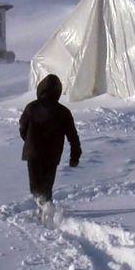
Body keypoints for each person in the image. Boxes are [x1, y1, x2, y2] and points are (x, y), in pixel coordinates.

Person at [19, 74, 81, 209]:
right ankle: (46, 207)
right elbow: (73, 137)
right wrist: (74, 156)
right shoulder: (63, 112)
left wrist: (29, 140)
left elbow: (22, 127)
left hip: (33, 153)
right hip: (52, 154)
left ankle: (43, 208)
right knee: (46, 186)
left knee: (35, 187)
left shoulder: (31, 107)